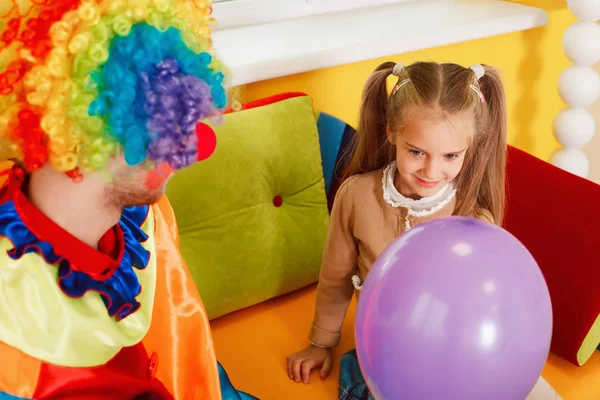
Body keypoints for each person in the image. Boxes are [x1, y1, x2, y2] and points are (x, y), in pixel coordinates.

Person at [0, 1, 254, 399]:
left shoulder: (147, 219)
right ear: (79, 128)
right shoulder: (15, 347)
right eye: (161, 117)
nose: (192, 148)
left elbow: (190, 357)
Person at [286, 61, 561, 400]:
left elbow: (487, 308)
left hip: (461, 356)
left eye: (450, 155)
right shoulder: (356, 195)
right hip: (388, 354)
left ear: (469, 147)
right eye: (416, 151)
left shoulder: (474, 219)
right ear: (392, 133)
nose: (431, 170)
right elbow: (335, 277)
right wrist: (320, 342)